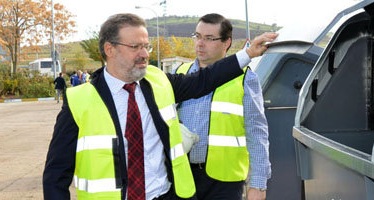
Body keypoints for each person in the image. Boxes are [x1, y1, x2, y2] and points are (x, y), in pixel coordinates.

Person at [43, 13, 276, 200]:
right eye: (135, 47)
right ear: (110, 49)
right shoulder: (78, 101)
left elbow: (205, 80)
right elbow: (56, 175)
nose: (144, 54)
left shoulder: (158, 83)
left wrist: (247, 54)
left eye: (146, 46)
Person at [172, 13, 270, 200]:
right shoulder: (180, 73)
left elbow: (257, 132)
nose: (200, 43)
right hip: (182, 175)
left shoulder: (244, 79)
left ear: (227, 43)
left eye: (209, 38)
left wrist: (258, 183)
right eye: (197, 36)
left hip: (224, 182)